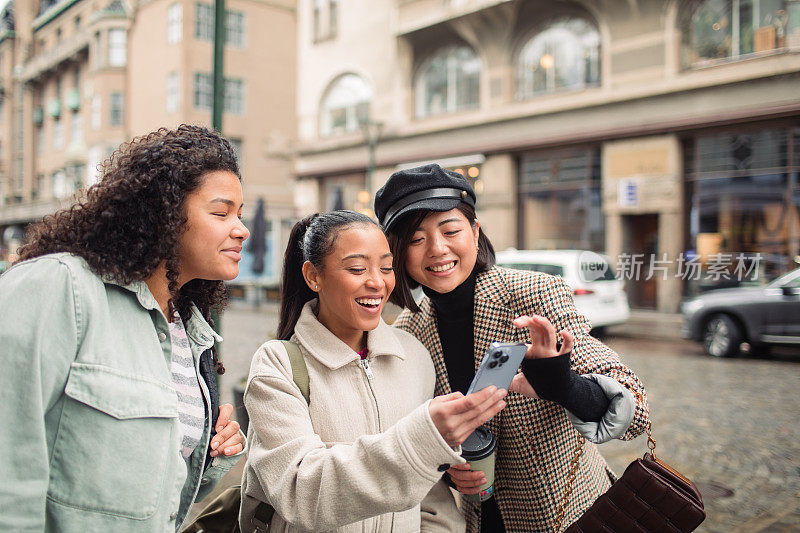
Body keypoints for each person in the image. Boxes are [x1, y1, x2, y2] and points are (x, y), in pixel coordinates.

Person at [375, 164, 650, 533]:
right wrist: (451, 469)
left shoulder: (534, 293)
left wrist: (563, 384)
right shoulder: (408, 333)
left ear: (474, 232)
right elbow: (424, 437)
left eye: (450, 230)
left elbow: (633, 411)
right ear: (400, 252)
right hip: (478, 522)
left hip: (571, 516)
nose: (437, 249)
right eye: (416, 239)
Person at [0, 125, 247, 532]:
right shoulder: (59, 288)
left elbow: (142, 497)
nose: (240, 228)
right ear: (163, 213)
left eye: (239, 213)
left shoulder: (189, 332)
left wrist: (209, 458)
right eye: (221, 212)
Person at [240, 210, 508, 532]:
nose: (377, 282)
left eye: (386, 267)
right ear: (313, 276)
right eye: (357, 268)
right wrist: (420, 440)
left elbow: (430, 498)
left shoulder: (414, 356)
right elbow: (300, 491)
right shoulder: (277, 366)